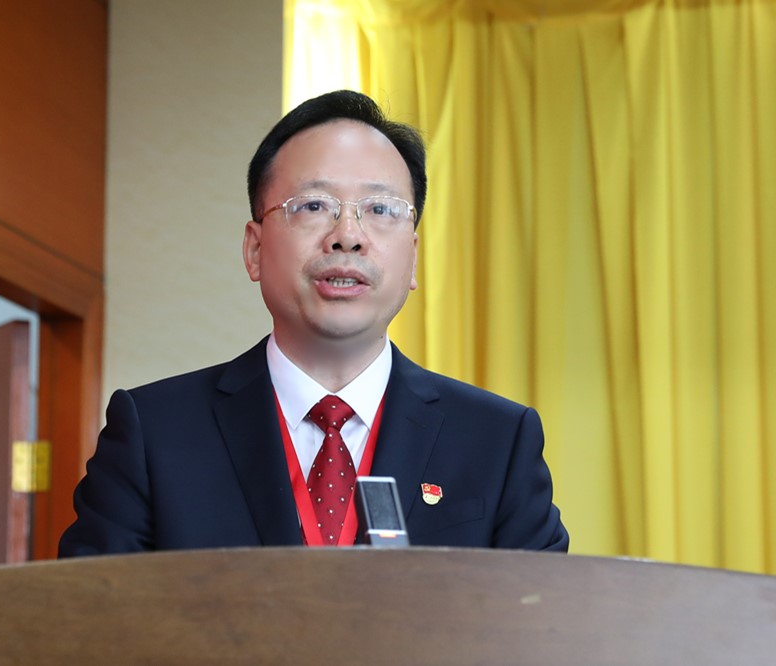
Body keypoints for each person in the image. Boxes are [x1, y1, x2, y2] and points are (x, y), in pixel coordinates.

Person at [58, 90, 568, 556]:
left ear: (413, 257)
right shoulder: (155, 433)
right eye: (314, 205)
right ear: (254, 250)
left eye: (381, 208)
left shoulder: (496, 441)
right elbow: (88, 616)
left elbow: (546, 619)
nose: (348, 235)